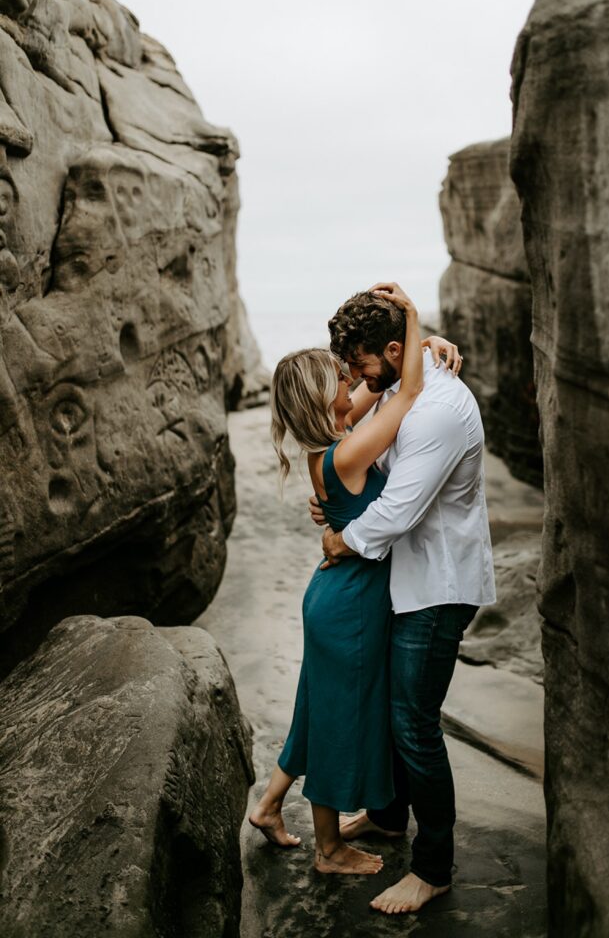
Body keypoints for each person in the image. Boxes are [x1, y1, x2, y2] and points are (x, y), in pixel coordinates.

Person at [248, 283, 461, 876]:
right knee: (340, 720)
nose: (351, 380)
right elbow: (408, 389)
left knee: (321, 709)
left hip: (334, 595)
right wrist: (414, 319)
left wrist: (419, 344)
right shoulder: (346, 453)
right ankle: (328, 849)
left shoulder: (332, 444)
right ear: (326, 400)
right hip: (353, 600)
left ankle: (272, 806)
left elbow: (385, 382)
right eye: (340, 379)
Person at [314, 285, 496, 913]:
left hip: (439, 586)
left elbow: (399, 509)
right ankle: (390, 817)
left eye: (363, 363)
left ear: (392, 350)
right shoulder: (401, 382)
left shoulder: (438, 408)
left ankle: (433, 867)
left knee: (414, 726)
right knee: (392, 710)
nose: (358, 377)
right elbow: (344, 420)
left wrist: (342, 539)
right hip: (403, 577)